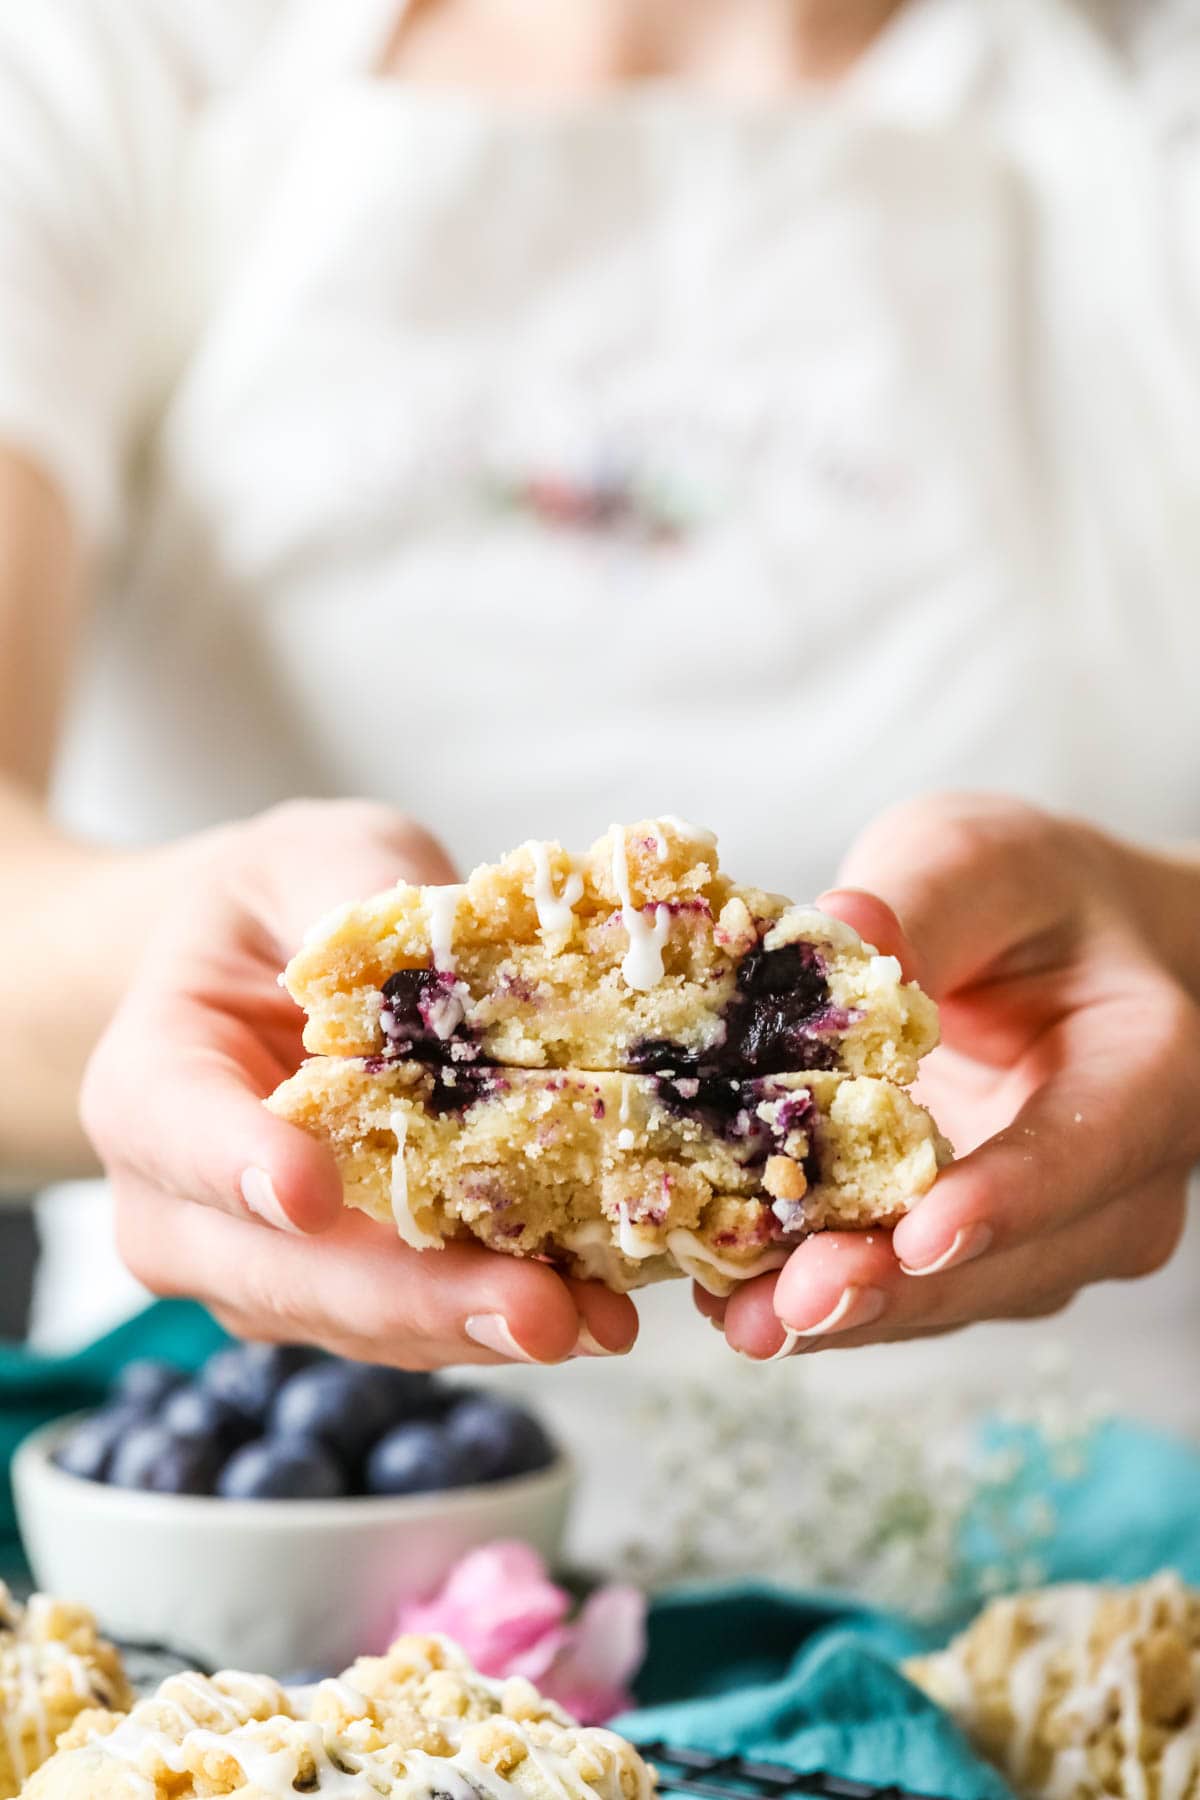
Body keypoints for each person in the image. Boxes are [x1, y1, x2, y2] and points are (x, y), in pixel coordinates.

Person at [0, 0, 1198, 1460]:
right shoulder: (108, 59)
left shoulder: (1150, 109)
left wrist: (1170, 943)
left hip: (1076, 1527)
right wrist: (210, 990)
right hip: (253, 1516)